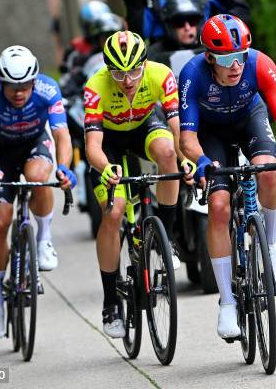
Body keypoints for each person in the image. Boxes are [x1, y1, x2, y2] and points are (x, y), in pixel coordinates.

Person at [178, 15, 276, 338]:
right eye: (226, 59)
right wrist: (202, 161)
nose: (235, 65)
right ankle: (226, 302)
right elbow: (186, 139)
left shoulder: (261, 64)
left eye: (239, 56)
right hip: (210, 134)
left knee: (267, 171)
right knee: (220, 206)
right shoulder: (192, 75)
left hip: (249, 119)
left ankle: (271, 240)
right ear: (210, 57)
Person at [83, 30, 193, 338]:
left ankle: (167, 237)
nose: (128, 79)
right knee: (114, 213)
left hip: (146, 125)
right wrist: (106, 168)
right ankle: (109, 302)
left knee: (168, 153)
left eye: (134, 70)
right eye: (118, 72)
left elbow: (176, 126)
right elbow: (92, 146)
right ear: (108, 69)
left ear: (145, 63)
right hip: (109, 142)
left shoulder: (161, 74)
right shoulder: (95, 87)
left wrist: (186, 160)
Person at [0, 45, 76, 339]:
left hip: (33, 145)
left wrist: (65, 167)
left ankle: (43, 240)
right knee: (0, 223)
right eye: (12, 86)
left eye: (25, 85)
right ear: (1, 82)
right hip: (0, 153)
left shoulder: (48, 89)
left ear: (35, 80)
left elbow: (61, 135)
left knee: (38, 177)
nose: (19, 92)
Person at [120, 0, 250, 44]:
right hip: (162, 55)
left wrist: (219, 31)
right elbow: (138, 33)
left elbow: (240, 10)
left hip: (208, 49)